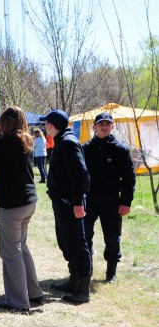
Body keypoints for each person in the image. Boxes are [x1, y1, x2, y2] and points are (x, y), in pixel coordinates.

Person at [0, 107, 45, 312]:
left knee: (10, 252)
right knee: (21, 247)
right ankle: (34, 293)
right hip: (29, 201)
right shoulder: (28, 139)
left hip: (12, 204)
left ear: (6, 122)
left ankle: (18, 302)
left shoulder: (5, 142)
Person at [41, 109, 92, 304]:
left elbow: (81, 176)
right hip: (62, 201)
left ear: (51, 125)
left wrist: (78, 202)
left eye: (45, 124)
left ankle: (83, 291)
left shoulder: (68, 143)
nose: (44, 127)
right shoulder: (63, 140)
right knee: (66, 242)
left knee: (77, 244)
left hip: (70, 202)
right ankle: (74, 281)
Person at [82, 112, 136, 283]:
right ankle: (85, 269)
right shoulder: (85, 148)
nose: (104, 127)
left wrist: (126, 202)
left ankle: (111, 272)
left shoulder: (120, 149)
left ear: (112, 126)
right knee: (84, 235)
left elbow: (129, 178)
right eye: (100, 124)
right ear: (94, 127)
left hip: (111, 200)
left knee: (112, 237)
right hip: (89, 199)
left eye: (107, 124)